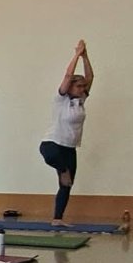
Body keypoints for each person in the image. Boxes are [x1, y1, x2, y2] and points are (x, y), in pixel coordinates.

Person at [39, 41, 94, 226]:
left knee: (66, 185)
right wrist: (77, 55)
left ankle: (57, 219)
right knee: (56, 162)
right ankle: (63, 170)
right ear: (70, 87)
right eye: (78, 87)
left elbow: (90, 76)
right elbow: (68, 74)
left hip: (70, 147)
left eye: (82, 87)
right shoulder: (60, 99)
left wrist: (86, 56)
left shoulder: (81, 100)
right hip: (52, 143)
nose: (81, 89)